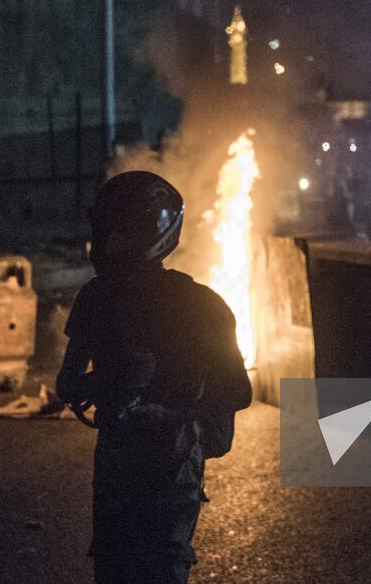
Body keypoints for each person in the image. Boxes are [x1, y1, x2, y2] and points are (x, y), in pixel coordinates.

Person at [57, 171, 252, 584]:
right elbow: (67, 385)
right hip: (133, 458)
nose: (109, 242)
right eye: (107, 230)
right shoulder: (101, 299)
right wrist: (112, 386)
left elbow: (236, 390)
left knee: (151, 565)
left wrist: (163, 408)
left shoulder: (194, 305)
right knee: (125, 565)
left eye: (120, 231)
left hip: (166, 461)